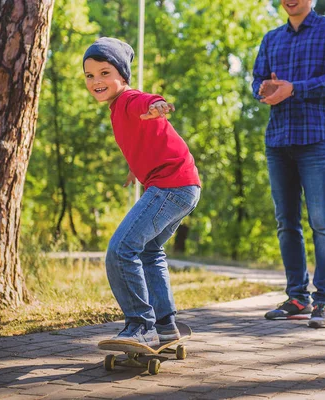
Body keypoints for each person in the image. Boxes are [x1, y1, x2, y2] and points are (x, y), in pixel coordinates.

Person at [83, 37, 201, 346]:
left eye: (104, 73)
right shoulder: (116, 108)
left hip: (170, 186)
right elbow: (146, 141)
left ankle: (139, 324)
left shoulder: (128, 100)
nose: (96, 81)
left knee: (121, 250)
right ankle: (165, 325)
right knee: (150, 251)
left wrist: (157, 104)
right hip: (184, 186)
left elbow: (145, 100)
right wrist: (136, 168)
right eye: (90, 75)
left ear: (122, 76)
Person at [252, 0, 325, 328]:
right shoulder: (271, 38)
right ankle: (297, 297)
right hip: (278, 141)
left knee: (322, 222)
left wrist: (295, 89)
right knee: (286, 223)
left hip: (316, 140)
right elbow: (257, 82)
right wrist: (264, 89)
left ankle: (323, 302)